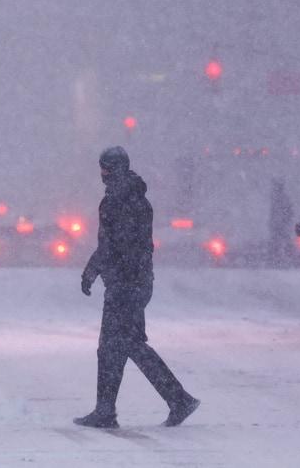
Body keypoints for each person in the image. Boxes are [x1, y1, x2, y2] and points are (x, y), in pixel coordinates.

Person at [75, 146, 199, 429]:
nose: (102, 174)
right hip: (135, 282)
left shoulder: (119, 200)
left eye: (104, 168)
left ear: (112, 169)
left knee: (119, 346)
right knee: (119, 346)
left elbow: (112, 245)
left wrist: (94, 271)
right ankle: (111, 409)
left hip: (125, 285)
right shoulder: (134, 197)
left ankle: (175, 399)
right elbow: (124, 245)